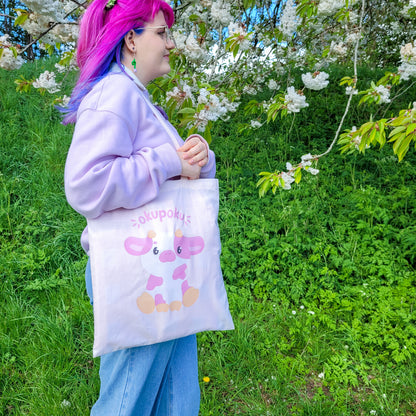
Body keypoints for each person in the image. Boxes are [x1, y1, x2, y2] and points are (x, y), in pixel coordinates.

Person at [63, 0, 216, 414]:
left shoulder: (137, 98)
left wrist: (197, 154)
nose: (170, 43)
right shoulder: (113, 93)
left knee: (177, 398)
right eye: (162, 33)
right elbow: (85, 183)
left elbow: (168, 170)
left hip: (167, 270)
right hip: (137, 274)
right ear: (131, 39)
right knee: (127, 402)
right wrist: (169, 160)